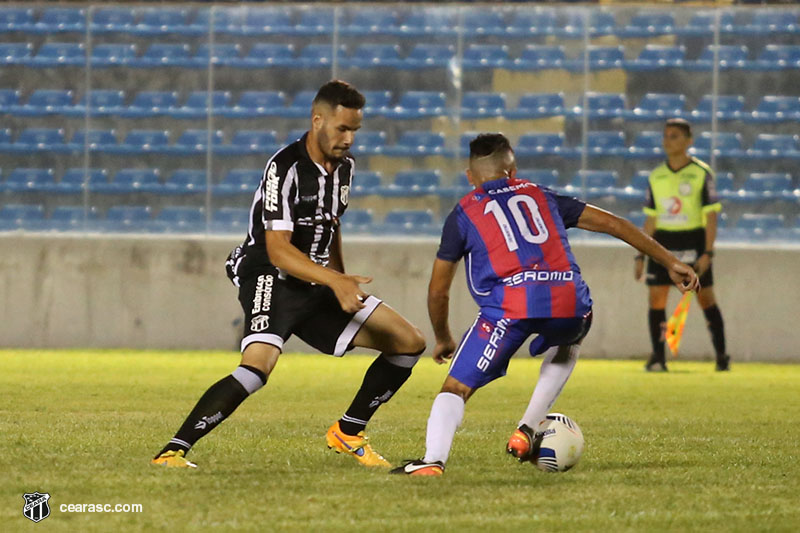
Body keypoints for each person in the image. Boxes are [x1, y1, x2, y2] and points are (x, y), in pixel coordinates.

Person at [152, 80, 425, 469]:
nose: (349, 139)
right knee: (258, 366)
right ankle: (173, 451)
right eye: (341, 129)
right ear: (318, 121)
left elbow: (332, 225)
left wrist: (340, 280)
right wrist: (334, 281)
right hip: (269, 271)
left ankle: (348, 432)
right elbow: (278, 249)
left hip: (315, 278)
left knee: (408, 341)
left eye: (355, 131)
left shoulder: (345, 168)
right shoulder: (285, 168)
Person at [391, 133, 699, 476]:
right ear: (512, 170)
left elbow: (438, 290)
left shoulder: (463, 213)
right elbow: (614, 223)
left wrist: (444, 336)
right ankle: (527, 426)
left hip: (509, 306)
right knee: (571, 335)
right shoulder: (541, 194)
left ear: (470, 177)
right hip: (568, 298)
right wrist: (670, 261)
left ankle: (433, 460)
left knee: (456, 388)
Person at [635, 118, 730, 372]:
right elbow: (651, 218)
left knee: (705, 298)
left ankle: (722, 355)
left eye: (674, 136)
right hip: (663, 242)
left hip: (693, 239)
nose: (668, 141)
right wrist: (640, 255)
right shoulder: (657, 176)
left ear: (689, 141)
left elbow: (711, 214)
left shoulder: (701, 173)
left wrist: (708, 251)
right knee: (657, 297)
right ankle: (658, 356)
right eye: (666, 136)